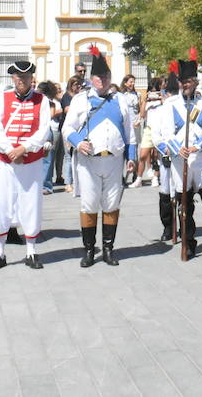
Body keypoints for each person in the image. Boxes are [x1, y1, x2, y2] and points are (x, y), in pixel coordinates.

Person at [61, 50, 136, 266]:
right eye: (98, 77)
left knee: (111, 204)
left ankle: (109, 249)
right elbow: (68, 127)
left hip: (114, 160)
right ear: (92, 79)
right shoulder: (80, 100)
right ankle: (88, 251)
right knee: (89, 204)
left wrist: (130, 157)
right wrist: (78, 142)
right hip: (89, 161)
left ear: (110, 78)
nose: (102, 80)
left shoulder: (120, 100)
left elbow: (130, 131)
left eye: (106, 77)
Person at [0, 62, 54, 269]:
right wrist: (10, 151)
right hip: (7, 159)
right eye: (18, 76)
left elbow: (43, 130)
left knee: (31, 203)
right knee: (2, 203)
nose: (22, 79)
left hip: (31, 160)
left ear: (32, 78)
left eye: (26, 76)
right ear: (13, 78)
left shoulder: (43, 100)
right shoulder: (3, 98)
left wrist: (24, 148)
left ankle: (31, 251)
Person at [154, 58, 202, 261]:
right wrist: (179, 149)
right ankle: (189, 243)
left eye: (189, 81)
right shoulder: (170, 105)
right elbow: (167, 133)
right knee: (185, 206)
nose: (185, 84)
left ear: (196, 82)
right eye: (182, 81)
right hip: (181, 161)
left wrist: (197, 146)